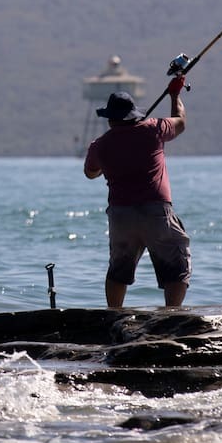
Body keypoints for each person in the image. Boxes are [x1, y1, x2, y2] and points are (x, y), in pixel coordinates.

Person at [83, 78, 190, 308]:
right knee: (175, 268)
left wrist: (109, 161)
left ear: (109, 119)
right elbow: (180, 122)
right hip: (156, 212)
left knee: (118, 271)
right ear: (133, 114)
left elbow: (90, 173)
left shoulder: (99, 145)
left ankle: (114, 315)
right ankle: (172, 316)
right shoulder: (153, 129)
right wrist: (174, 96)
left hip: (121, 215)